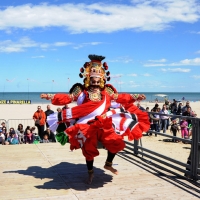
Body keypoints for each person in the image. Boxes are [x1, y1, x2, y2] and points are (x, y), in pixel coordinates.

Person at [41, 54, 150, 184]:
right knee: (88, 146)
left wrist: (136, 96)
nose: (96, 82)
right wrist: (50, 96)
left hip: (104, 122)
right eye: (93, 79)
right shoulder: (81, 91)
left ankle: (108, 163)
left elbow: (121, 97)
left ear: (102, 78)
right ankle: (90, 172)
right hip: (87, 123)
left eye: (98, 80)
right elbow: (67, 98)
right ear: (88, 78)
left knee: (115, 140)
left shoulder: (107, 91)